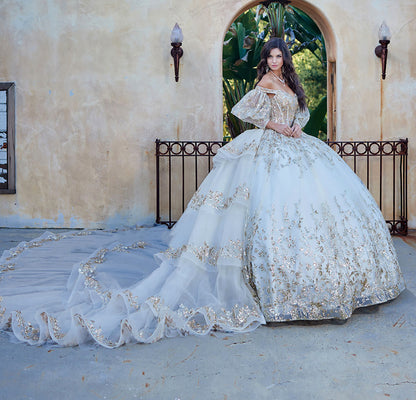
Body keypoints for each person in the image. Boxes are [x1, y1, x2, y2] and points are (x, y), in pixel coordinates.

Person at [0, 38, 404, 347]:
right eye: (272, 56)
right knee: (265, 211)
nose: (276, 61)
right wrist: (275, 127)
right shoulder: (264, 81)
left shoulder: (289, 82)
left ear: (286, 60)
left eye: (280, 56)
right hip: (268, 149)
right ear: (266, 60)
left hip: (300, 149)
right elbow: (242, 111)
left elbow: (300, 110)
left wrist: (296, 125)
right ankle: (264, 285)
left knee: (317, 209)